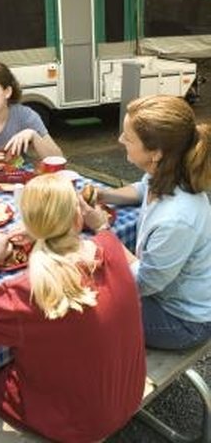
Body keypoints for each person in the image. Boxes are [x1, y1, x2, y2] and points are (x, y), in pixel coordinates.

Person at [0, 174, 146, 443]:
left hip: (77, 424)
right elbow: (103, 234)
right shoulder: (110, 247)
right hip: (128, 394)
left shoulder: (31, 289)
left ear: (29, 226)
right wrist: (100, 224)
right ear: (78, 219)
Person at [92, 94, 211, 350]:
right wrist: (100, 194)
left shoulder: (177, 218)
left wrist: (102, 229)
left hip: (183, 321)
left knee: (85, 308)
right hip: (165, 294)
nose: (120, 140)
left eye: (128, 137)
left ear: (155, 153)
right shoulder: (167, 171)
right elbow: (140, 189)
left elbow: (143, 284)